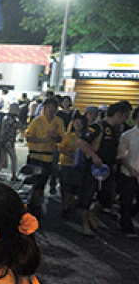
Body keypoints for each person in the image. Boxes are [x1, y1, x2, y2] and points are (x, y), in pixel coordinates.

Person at [76, 101, 131, 236]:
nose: (125, 119)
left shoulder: (117, 130)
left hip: (108, 169)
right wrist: (94, 156)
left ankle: (92, 214)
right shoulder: (98, 127)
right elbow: (82, 142)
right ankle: (84, 224)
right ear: (118, 115)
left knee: (107, 198)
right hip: (94, 168)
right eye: (125, 116)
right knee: (87, 196)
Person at [24, 98, 65, 213]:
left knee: (42, 182)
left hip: (48, 157)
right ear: (44, 108)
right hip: (35, 156)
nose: (51, 110)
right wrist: (44, 140)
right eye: (49, 107)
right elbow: (28, 137)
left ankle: (35, 204)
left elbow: (62, 138)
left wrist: (56, 137)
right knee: (32, 181)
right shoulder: (37, 121)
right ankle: (32, 204)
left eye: (54, 108)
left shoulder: (59, 122)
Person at [58, 114, 86, 217]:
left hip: (80, 165)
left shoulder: (86, 136)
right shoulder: (68, 136)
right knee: (66, 187)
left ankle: (71, 204)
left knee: (75, 187)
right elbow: (60, 148)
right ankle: (65, 207)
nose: (78, 125)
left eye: (80, 123)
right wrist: (70, 154)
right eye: (76, 123)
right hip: (67, 164)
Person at [117, 107, 139, 236]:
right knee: (127, 200)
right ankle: (126, 224)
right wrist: (130, 169)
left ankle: (129, 215)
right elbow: (121, 155)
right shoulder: (127, 135)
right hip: (128, 172)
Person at [0, 103, 20, 181]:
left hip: (3, 140)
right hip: (9, 142)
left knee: (2, 159)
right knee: (13, 158)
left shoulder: (5, 118)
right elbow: (19, 128)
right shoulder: (14, 120)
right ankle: (14, 176)